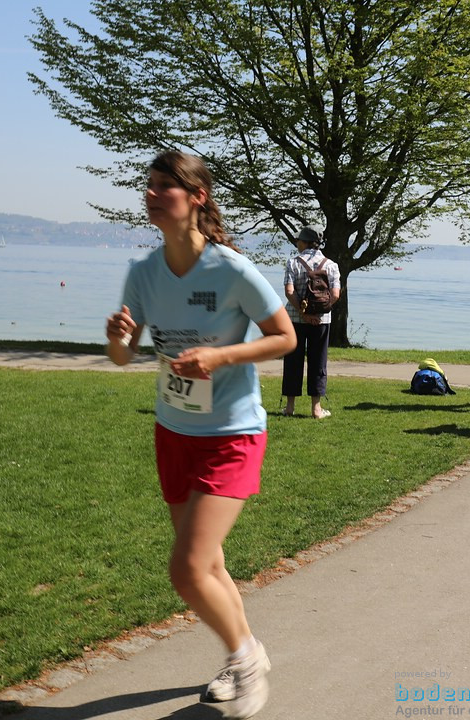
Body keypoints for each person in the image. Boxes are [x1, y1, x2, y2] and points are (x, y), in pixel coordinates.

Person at [105, 150, 296, 719]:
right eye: (150, 185)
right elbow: (121, 357)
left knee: (188, 566)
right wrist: (117, 337)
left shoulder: (231, 269)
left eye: (166, 186)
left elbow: (284, 336)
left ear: (197, 197)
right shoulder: (144, 272)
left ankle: (245, 660)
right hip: (173, 431)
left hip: (232, 433)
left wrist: (221, 355)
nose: (153, 194)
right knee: (207, 564)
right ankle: (245, 655)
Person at [281, 224, 341, 418]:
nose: (297, 242)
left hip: (294, 319)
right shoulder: (331, 265)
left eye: (298, 240)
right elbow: (335, 294)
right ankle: (316, 408)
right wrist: (320, 312)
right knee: (318, 362)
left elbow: (289, 292)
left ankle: (290, 406)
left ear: (305, 242)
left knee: (293, 361)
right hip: (322, 322)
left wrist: (303, 313)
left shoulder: (292, 263)